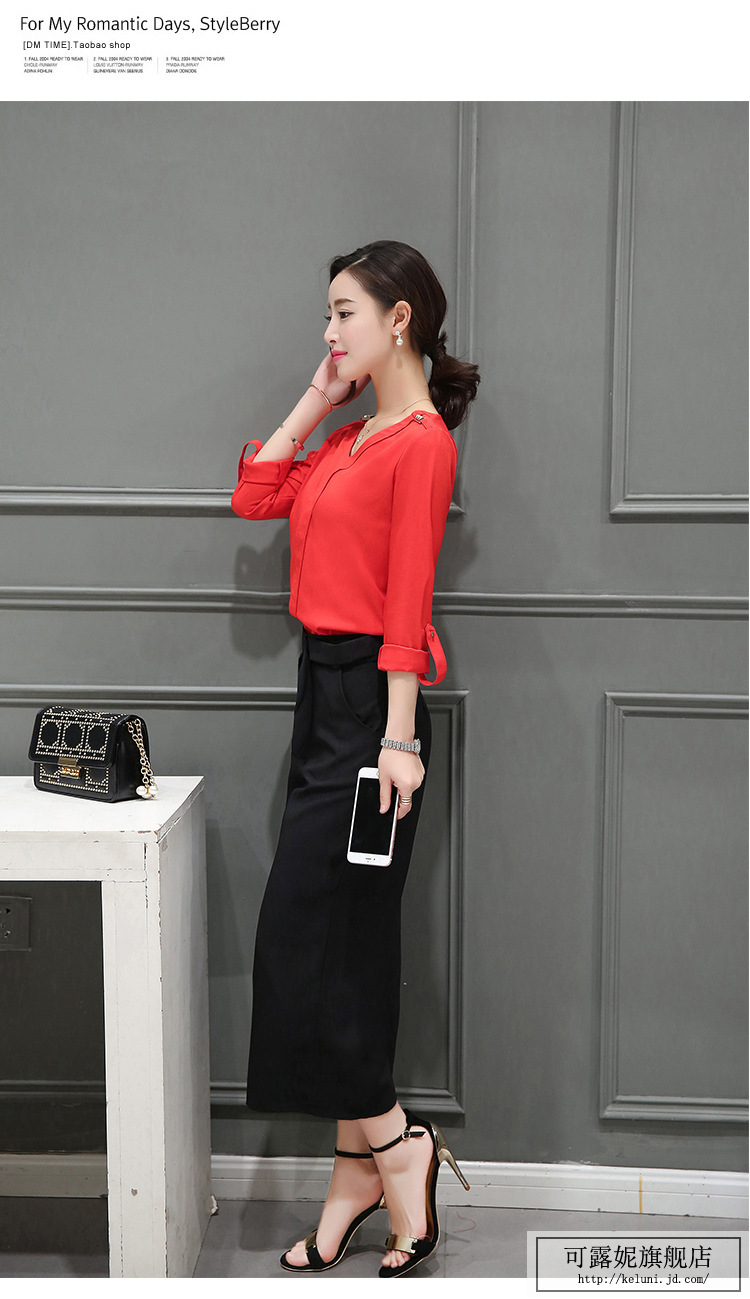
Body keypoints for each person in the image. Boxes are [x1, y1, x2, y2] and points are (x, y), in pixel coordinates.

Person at [231, 240, 480, 1278]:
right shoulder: (351, 432)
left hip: (374, 713)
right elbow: (255, 497)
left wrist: (399, 740)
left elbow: (407, 596)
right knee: (336, 951)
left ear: (399, 319)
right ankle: (362, 1173)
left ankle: (394, 1146)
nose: (330, 330)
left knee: (320, 945)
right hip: (321, 698)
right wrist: (318, 394)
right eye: (328, 315)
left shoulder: (420, 443)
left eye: (344, 313)